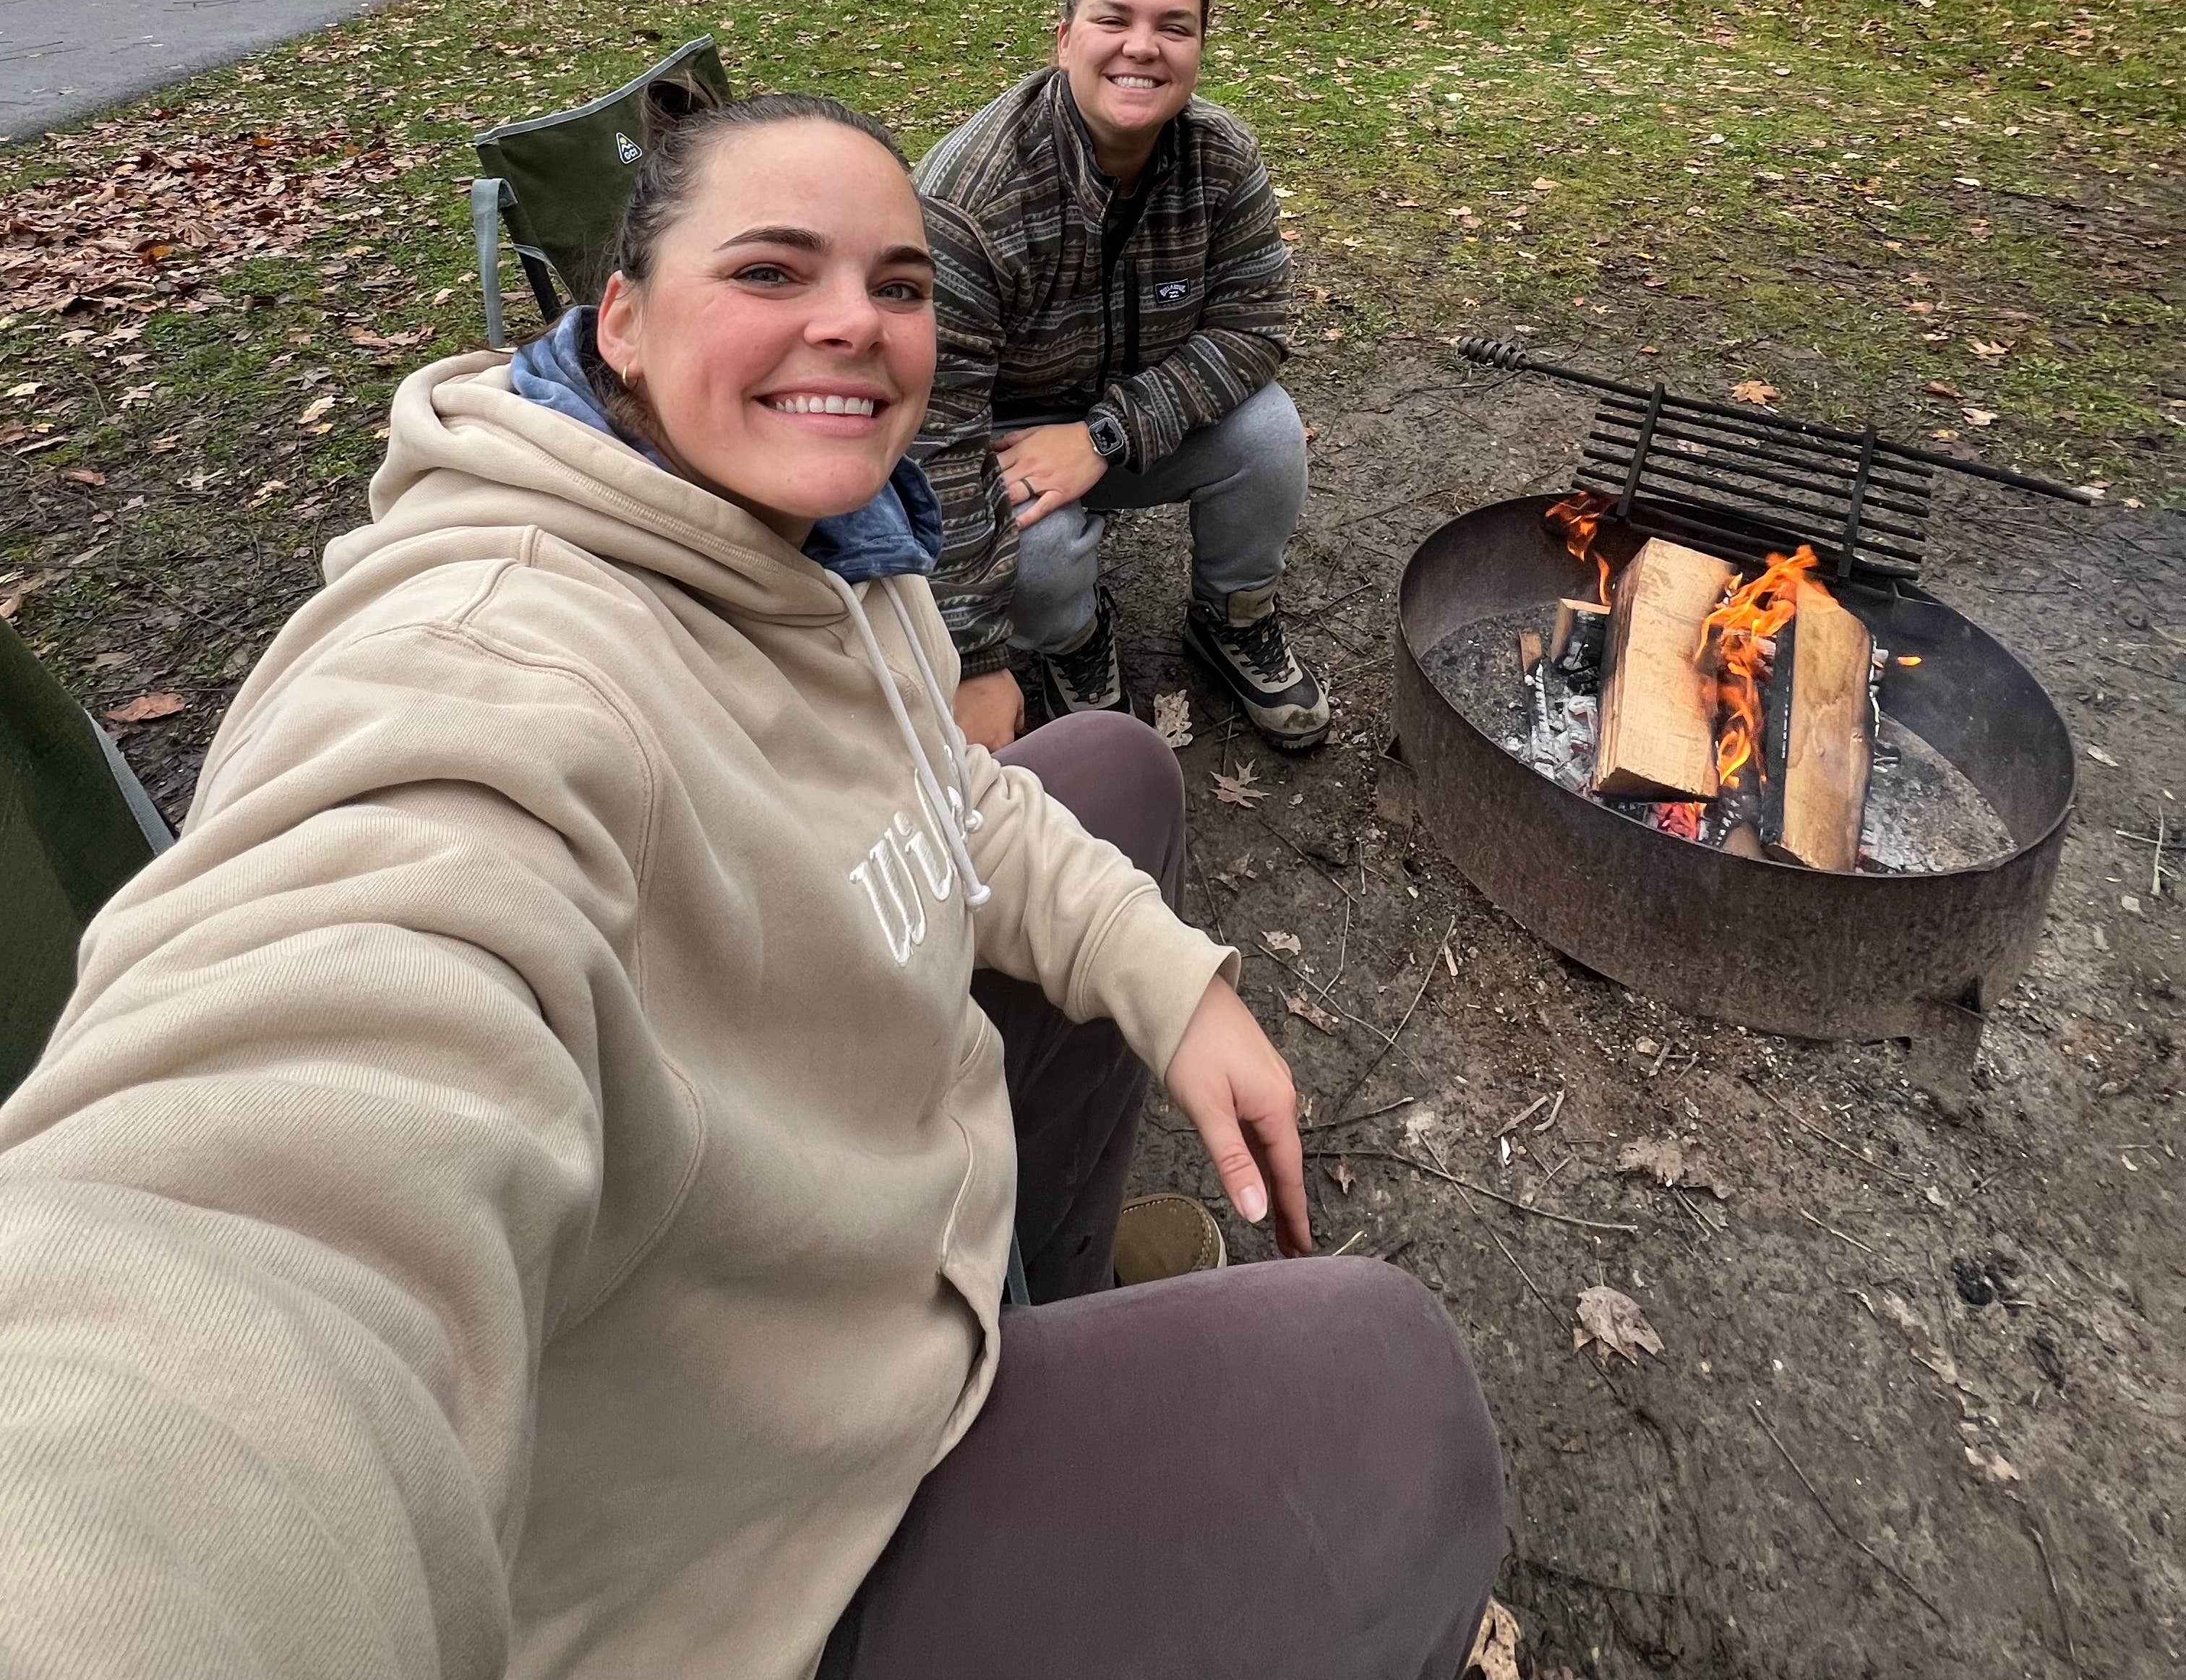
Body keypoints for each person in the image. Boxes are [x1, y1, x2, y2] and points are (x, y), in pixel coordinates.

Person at [0, 93, 1503, 1680]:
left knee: (1111, 777)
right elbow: (272, 1168)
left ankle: (1039, 1299)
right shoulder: (485, 674)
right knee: (1385, 1391)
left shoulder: (820, 527)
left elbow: (939, 786)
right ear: (626, 323)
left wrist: (1169, 975)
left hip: (836, 1239)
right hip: (745, 1548)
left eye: (898, 286)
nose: (852, 323)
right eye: (773, 274)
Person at [917, 0, 1330, 755]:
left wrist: (1104, 435)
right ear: (1064, 37)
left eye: (1173, 27)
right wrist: (972, 653)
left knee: (1269, 433)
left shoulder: (1224, 158)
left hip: (1129, 416)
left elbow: (1253, 326)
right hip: (1001, 435)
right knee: (1038, 551)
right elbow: (929, 426)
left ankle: (1232, 616)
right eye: (1115, 19)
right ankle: (1071, 639)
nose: (1143, 46)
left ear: (1199, 51)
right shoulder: (969, 197)